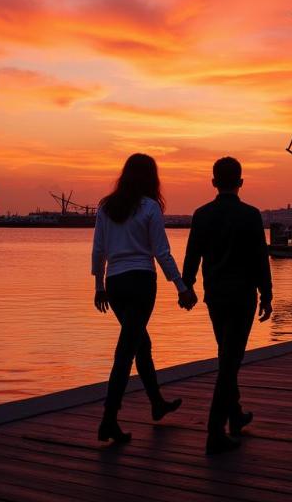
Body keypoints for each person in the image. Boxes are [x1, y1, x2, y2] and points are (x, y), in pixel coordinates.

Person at [92, 153, 197, 443]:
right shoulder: (150, 207)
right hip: (140, 282)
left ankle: (157, 404)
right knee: (126, 350)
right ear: (151, 178)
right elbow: (161, 252)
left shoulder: (105, 207)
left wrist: (98, 285)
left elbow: (99, 249)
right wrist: (181, 286)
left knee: (140, 342)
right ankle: (108, 420)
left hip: (114, 284)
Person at [182, 156, 272, 454]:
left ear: (213, 182)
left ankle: (235, 415)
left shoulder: (201, 214)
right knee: (230, 361)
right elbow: (260, 258)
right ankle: (214, 432)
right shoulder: (251, 215)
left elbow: (192, 253)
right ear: (241, 182)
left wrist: (187, 286)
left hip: (216, 296)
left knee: (227, 355)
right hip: (243, 296)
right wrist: (267, 294)